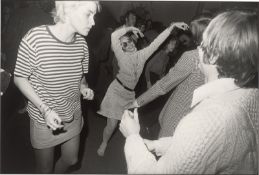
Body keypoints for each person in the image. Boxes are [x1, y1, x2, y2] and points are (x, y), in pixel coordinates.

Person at [119, 10, 259, 174]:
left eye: (203, 44)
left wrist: (133, 136)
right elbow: (202, 147)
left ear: (213, 56)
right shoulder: (252, 96)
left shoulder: (203, 122)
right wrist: (158, 146)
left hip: (175, 121)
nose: (198, 48)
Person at [13, 1, 100, 173]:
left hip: (73, 114)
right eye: (88, 14)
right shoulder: (35, 38)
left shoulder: (82, 45)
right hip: (44, 119)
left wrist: (83, 88)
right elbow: (19, 78)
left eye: (95, 16)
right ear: (68, 9)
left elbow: (81, 78)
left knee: (71, 159)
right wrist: (44, 109)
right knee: (44, 170)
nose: (94, 22)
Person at [96, 21, 189, 156]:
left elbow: (157, 43)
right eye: (124, 44)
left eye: (130, 41)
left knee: (130, 124)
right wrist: (129, 28)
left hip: (129, 95)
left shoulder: (142, 55)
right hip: (116, 91)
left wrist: (171, 27)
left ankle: (132, 149)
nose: (129, 44)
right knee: (112, 125)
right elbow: (114, 36)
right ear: (121, 48)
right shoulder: (121, 56)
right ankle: (104, 143)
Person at [128, 17, 211, 137]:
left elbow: (163, 84)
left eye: (193, 33)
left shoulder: (192, 57)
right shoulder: (213, 60)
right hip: (192, 119)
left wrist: (136, 102)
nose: (190, 38)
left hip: (176, 116)